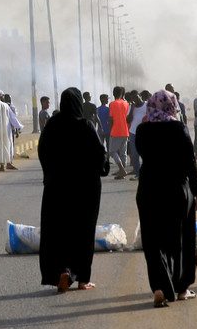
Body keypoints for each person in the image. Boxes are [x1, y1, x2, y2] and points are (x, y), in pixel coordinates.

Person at [134, 90, 197, 307]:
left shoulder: (143, 130)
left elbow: (141, 154)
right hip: (176, 189)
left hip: (149, 189)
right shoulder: (178, 128)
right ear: (172, 105)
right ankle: (182, 288)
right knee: (181, 239)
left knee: (153, 240)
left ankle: (159, 287)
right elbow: (189, 161)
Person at [39, 88, 109, 293]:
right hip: (85, 191)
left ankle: (62, 270)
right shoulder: (85, 126)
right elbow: (99, 155)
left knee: (58, 232)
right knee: (83, 233)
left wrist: (50, 175)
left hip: (56, 190)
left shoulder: (52, 125)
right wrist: (102, 169)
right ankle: (81, 279)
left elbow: (42, 151)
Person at [107, 86, 130, 178]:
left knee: (112, 151)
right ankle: (122, 171)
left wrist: (110, 129)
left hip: (116, 130)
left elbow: (111, 119)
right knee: (123, 152)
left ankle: (122, 169)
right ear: (122, 94)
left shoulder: (112, 104)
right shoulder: (126, 103)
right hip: (125, 130)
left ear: (113, 94)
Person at [126, 90, 148, 178]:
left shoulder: (147, 105)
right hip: (133, 133)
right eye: (133, 98)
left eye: (136, 97)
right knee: (135, 154)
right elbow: (128, 120)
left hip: (145, 133)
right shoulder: (131, 107)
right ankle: (138, 174)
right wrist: (132, 109)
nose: (135, 99)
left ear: (140, 96)